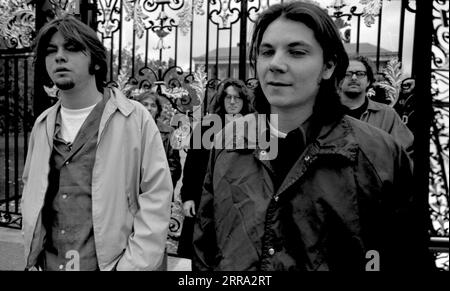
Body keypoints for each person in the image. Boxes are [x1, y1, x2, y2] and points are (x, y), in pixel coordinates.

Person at [193, 2, 430, 271]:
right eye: (267, 51)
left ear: (328, 67)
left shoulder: (380, 153)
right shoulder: (228, 140)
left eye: (296, 52)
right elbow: (206, 244)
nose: (275, 64)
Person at [21, 16, 173, 271]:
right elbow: (31, 189)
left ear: (94, 59)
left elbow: (156, 197)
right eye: (51, 50)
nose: (59, 56)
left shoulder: (134, 119)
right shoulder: (42, 125)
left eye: (71, 48)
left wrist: (131, 267)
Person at [177, 78, 254, 261]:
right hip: (205, 198)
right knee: (202, 253)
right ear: (221, 100)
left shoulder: (254, 126)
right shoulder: (206, 125)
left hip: (239, 200)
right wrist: (187, 197)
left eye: (237, 97)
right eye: (228, 97)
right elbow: (192, 163)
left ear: (244, 100)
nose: (233, 102)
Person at [339, 55, 414, 156]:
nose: (354, 77)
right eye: (347, 74)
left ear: (368, 81)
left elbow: (405, 152)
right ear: (339, 81)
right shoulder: (325, 113)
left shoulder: (387, 115)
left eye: (360, 74)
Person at [134, 91, 181, 187]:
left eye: (153, 105)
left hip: (160, 188)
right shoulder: (129, 129)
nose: (149, 108)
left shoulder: (169, 132)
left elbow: (174, 167)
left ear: (158, 110)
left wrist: (162, 187)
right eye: (145, 104)